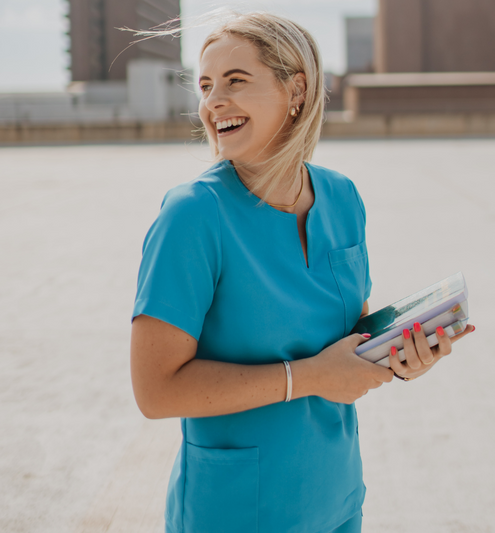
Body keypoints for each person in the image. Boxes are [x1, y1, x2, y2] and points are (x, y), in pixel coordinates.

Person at [130, 12, 474, 533]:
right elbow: (155, 391)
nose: (212, 102)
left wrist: (402, 357)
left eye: (235, 81)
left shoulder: (342, 198)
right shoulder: (193, 215)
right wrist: (309, 376)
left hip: (335, 499)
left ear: (297, 90)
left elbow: (349, 338)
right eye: (206, 86)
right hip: (235, 511)